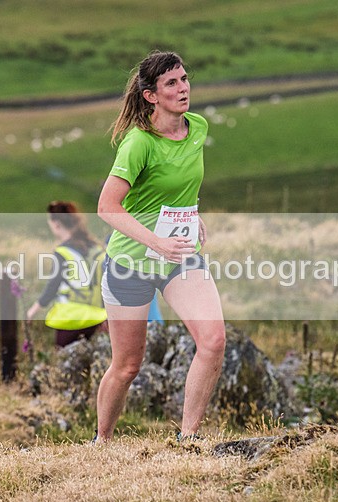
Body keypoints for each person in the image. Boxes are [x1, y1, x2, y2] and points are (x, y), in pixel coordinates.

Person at [95, 51, 226, 442]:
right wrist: (156, 241)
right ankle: (102, 440)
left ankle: (188, 439)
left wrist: (192, 212)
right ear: (151, 95)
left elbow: (181, 182)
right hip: (130, 262)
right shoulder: (138, 143)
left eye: (184, 79)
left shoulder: (197, 127)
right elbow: (107, 207)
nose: (183, 88)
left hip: (179, 258)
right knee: (127, 365)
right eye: (172, 83)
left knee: (214, 340)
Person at [26, 201, 107, 347]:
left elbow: (53, 285)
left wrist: (34, 310)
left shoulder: (63, 252)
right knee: (86, 362)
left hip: (70, 318)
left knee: (65, 362)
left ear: (56, 223)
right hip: (95, 319)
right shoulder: (97, 248)